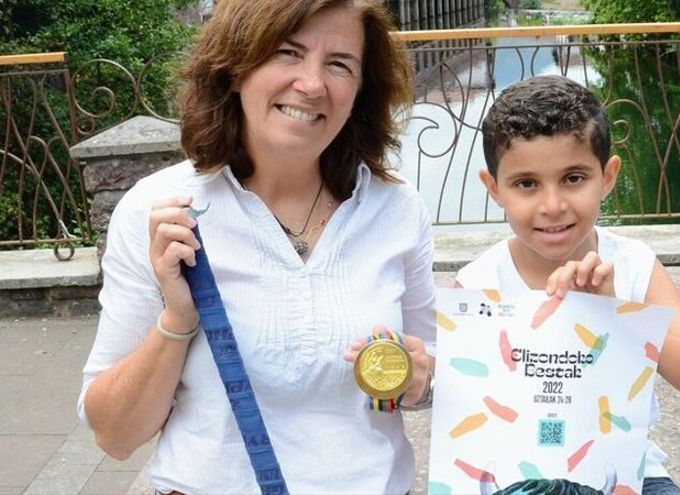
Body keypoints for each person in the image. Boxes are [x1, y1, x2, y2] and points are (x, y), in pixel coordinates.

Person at [76, 0, 436, 493]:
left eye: (339, 64)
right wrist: (178, 321)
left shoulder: (397, 208)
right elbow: (114, 434)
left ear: (360, 90)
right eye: (287, 53)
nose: (312, 84)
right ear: (236, 68)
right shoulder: (160, 211)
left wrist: (418, 380)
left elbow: (430, 368)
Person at [456, 75, 680, 495]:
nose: (552, 206)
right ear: (494, 188)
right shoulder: (478, 284)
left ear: (607, 177)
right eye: (526, 184)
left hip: (626, 471)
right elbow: (465, 412)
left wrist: (617, 314)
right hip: (516, 476)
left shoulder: (634, 266)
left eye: (573, 178)